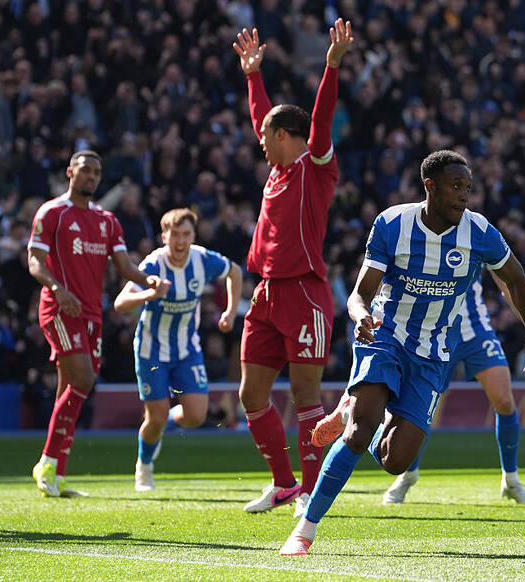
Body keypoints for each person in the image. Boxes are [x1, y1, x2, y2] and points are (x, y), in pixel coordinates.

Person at [280, 150, 525, 556]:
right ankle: (304, 531)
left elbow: (516, 279)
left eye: (468, 187)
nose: (463, 195)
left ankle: (347, 413)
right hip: (385, 336)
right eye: (455, 186)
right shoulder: (393, 223)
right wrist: (359, 314)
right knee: (361, 433)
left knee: (396, 461)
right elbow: (362, 291)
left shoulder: (478, 232)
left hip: (433, 351)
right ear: (429, 186)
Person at [231, 21, 353, 517]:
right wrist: (253, 76)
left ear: (284, 136)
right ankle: (284, 485)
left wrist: (332, 66)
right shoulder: (279, 171)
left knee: (305, 392)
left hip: (304, 292)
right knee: (250, 394)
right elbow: (265, 113)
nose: (258, 139)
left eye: (265, 135)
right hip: (265, 293)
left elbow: (318, 120)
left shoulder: (314, 165)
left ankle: (310, 491)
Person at [28, 150, 169, 497]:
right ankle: (45, 462)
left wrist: (148, 281)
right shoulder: (52, 212)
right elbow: (34, 261)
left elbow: (125, 267)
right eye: (85, 170)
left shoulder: (108, 221)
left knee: (70, 390)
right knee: (84, 380)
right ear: (70, 173)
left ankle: (57, 477)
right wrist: (58, 289)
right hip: (61, 309)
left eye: (96, 172)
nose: (91, 176)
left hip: (92, 314)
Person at [381, 270, 525, 506]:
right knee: (421, 406)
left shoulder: (479, 233)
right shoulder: (424, 235)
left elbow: (508, 284)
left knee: (504, 400)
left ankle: (511, 480)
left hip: (476, 330)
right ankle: (408, 474)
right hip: (435, 332)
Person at [113, 208, 242, 491]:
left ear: (193, 236)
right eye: (175, 235)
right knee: (154, 417)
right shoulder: (153, 265)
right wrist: (150, 293)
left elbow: (235, 271)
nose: (180, 241)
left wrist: (231, 312)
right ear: (164, 236)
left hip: (186, 350)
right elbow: (120, 303)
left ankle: (162, 422)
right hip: (152, 351)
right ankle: (144, 467)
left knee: (196, 416)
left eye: (186, 234)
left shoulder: (202, 259)